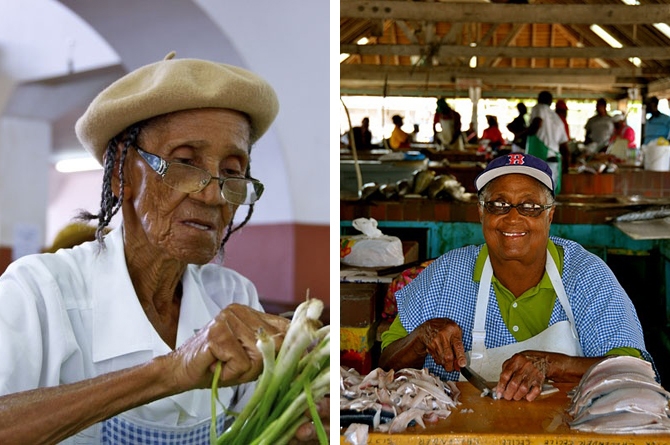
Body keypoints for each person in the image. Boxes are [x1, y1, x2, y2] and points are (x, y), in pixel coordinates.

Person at [0, 53, 326, 443]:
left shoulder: (234, 297)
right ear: (122, 172)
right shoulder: (38, 294)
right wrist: (169, 371)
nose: (212, 195)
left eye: (232, 172)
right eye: (185, 162)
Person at [379, 153, 656, 402]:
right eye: (498, 205)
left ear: (550, 215)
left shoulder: (585, 274)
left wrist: (553, 365)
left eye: (530, 206)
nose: (512, 218)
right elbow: (385, 364)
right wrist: (419, 338)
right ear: (481, 212)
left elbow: (634, 370)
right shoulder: (447, 273)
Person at [526, 91, 569, 192]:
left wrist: (521, 134)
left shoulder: (538, 108)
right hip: (554, 161)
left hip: (539, 160)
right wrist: (565, 168)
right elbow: (564, 147)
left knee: (535, 193)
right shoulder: (558, 120)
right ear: (551, 102)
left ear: (538, 99)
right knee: (549, 194)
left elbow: (537, 123)